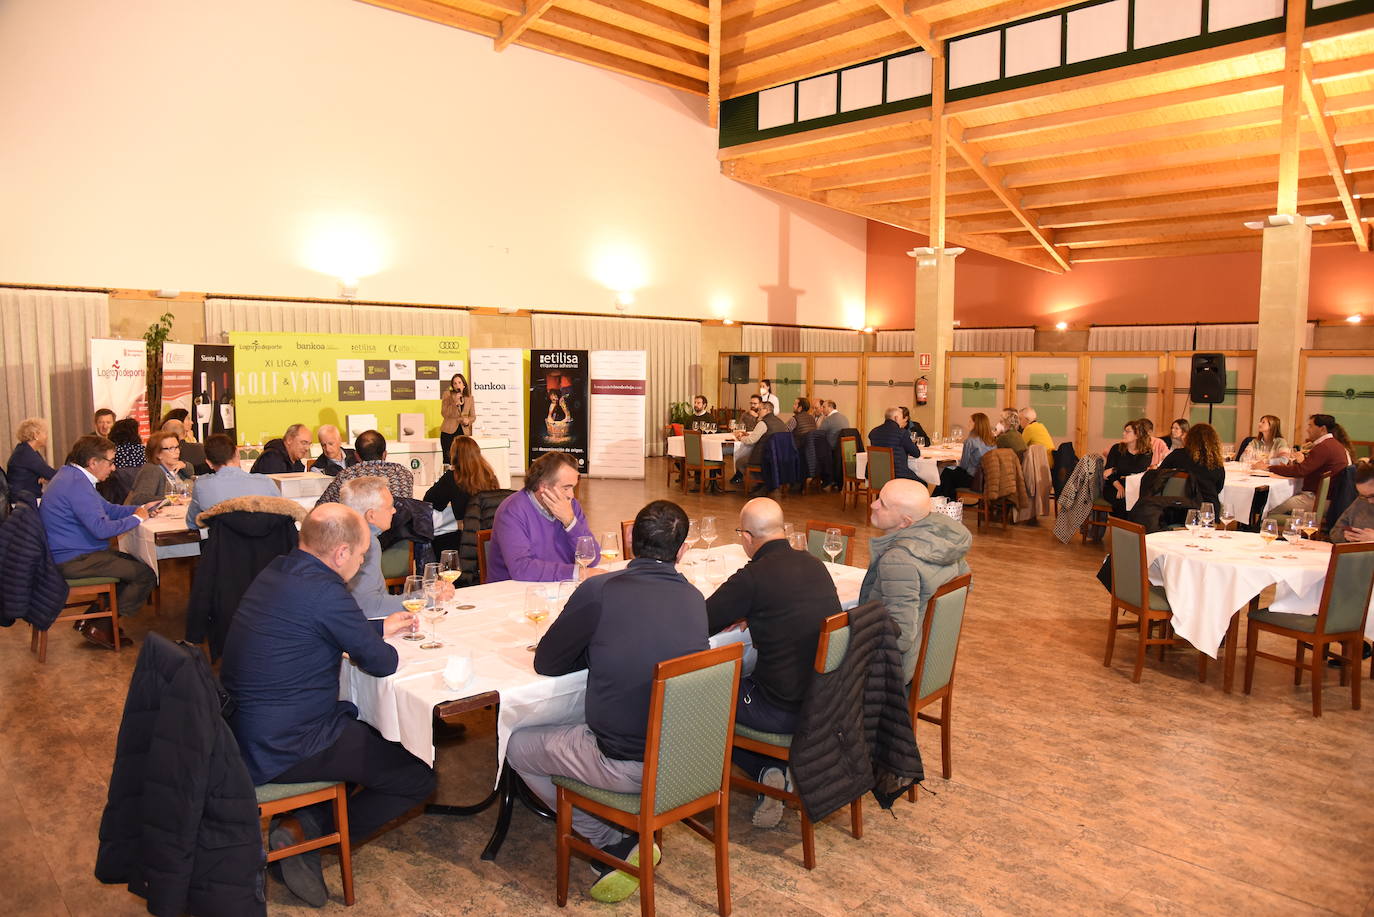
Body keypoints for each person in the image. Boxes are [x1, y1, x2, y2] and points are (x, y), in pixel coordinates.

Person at [220, 504, 435, 906]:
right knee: (417, 775)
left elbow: (310, 625)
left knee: (371, 733)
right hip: (286, 743)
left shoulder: (279, 570)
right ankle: (310, 839)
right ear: (340, 554)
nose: (360, 562)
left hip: (243, 726)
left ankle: (301, 823)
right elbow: (381, 661)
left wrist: (373, 627)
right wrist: (370, 636)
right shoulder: (327, 591)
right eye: (360, 555)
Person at [507, 500, 707, 903]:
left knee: (517, 746)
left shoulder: (600, 590)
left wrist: (592, 652)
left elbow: (547, 663)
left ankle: (610, 842)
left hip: (626, 763)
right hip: (685, 758)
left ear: (629, 542)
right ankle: (624, 829)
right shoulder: (694, 598)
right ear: (683, 551)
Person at [705, 497, 840, 828]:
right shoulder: (814, 564)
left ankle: (759, 770)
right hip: (825, 701)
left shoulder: (753, 577)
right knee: (746, 677)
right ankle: (771, 769)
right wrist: (754, 611)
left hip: (782, 710)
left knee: (701, 698)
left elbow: (702, 620)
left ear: (747, 537)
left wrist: (747, 608)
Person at [38, 435, 160, 649]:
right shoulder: (76, 485)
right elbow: (101, 529)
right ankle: (103, 626)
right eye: (111, 462)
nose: (113, 468)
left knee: (132, 563)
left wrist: (140, 510)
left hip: (75, 552)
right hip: (74, 559)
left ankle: (93, 620)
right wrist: (137, 518)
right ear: (93, 462)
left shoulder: (72, 476)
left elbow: (108, 509)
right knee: (145, 574)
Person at [860, 479, 971, 684]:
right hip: (930, 656)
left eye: (882, 504)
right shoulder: (943, 543)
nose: (873, 504)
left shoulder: (897, 560)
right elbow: (965, 586)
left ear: (905, 522)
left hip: (892, 670)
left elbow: (900, 636)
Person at [339, 476, 454, 619]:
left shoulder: (341, 534)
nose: (394, 511)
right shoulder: (365, 542)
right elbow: (371, 606)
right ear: (371, 515)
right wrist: (429, 598)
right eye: (389, 507)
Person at [487, 451, 605, 582]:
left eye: (573, 487)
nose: (571, 495)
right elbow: (522, 568)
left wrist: (570, 522)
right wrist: (577, 573)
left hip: (559, 587)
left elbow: (592, 558)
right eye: (566, 488)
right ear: (543, 486)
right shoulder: (512, 511)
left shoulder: (571, 506)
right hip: (513, 593)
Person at [1262, 413, 1354, 515]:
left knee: (1270, 507)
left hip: (1318, 501)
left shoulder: (1324, 447)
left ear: (1322, 429)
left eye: (1310, 426)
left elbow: (1301, 471)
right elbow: (1307, 467)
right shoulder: (1335, 444)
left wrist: (1269, 468)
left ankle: (1261, 526)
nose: (1307, 429)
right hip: (1329, 499)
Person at [425, 434, 500, 556]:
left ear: (454, 455)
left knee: (435, 539)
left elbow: (431, 501)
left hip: (466, 539)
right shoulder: (490, 476)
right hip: (489, 537)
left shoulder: (453, 477)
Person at [185, 433, 280, 528]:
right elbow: (281, 517)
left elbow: (192, 523)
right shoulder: (265, 482)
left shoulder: (202, 485)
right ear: (237, 453)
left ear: (209, 463)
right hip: (264, 541)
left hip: (223, 541)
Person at [316, 430, 415, 506]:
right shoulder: (403, 473)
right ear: (385, 454)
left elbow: (321, 507)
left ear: (357, 456)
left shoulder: (345, 476)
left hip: (357, 531)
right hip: (398, 531)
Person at [1154, 422, 1226, 511]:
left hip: (1181, 506)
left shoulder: (1177, 455)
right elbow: (1218, 487)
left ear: (1189, 438)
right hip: (1209, 508)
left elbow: (1159, 475)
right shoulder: (1215, 462)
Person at [934, 412, 994, 499]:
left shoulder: (970, 441)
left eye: (970, 422)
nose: (968, 424)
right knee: (950, 474)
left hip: (975, 481)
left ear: (976, 424)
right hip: (988, 480)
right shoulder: (992, 441)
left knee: (947, 473)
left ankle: (941, 501)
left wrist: (950, 465)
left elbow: (964, 466)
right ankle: (947, 502)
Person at [125, 431, 195, 505]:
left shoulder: (174, 466)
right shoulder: (152, 470)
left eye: (177, 447)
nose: (177, 451)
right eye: (171, 448)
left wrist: (184, 465)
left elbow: (191, 471)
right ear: (158, 454)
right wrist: (170, 501)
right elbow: (140, 498)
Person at [1103, 420, 1153, 517]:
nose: (1123, 433)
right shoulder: (1116, 448)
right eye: (1124, 431)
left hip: (1135, 485)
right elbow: (1107, 471)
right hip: (1113, 484)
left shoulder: (1146, 451)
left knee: (1142, 502)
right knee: (1121, 500)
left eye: (1127, 431)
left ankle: (1133, 528)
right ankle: (1121, 528)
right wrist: (1118, 485)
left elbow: (1137, 468)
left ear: (1137, 435)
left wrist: (1115, 470)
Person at [737, 401, 788, 494]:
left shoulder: (763, 423)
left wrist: (741, 438)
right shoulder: (780, 422)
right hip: (778, 456)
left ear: (767, 410)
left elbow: (751, 440)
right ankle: (763, 483)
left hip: (764, 457)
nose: (758, 411)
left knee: (740, 461)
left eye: (760, 409)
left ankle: (762, 482)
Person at [7, 417, 57, 504]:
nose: (47, 437)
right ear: (35, 435)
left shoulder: (26, 450)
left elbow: (43, 472)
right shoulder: (26, 453)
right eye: (45, 433)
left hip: (26, 499)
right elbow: (51, 474)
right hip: (23, 503)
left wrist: (41, 476)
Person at [868, 406, 922, 481]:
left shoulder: (873, 432)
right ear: (896, 418)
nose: (903, 421)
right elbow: (916, 453)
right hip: (897, 476)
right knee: (922, 484)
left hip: (877, 475)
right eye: (902, 418)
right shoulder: (901, 433)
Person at [1331, 460, 1374, 544]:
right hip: (1356, 554)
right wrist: (1346, 537)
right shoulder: (1361, 501)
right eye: (1364, 496)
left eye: (1373, 495)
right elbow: (1335, 532)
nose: (1370, 501)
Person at [728, 395, 766, 483]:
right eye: (751, 403)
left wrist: (756, 417)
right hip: (745, 439)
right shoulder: (745, 414)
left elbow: (760, 429)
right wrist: (740, 433)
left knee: (741, 454)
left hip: (756, 443)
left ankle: (741, 475)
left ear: (760, 404)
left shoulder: (762, 417)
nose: (752, 405)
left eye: (755, 404)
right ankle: (739, 474)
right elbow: (739, 426)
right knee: (738, 451)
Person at [439, 372, 475, 464]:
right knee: (448, 460)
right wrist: (455, 403)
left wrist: (468, 421)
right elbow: (444, 413)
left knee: (463, 460)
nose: (457, 385)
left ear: (464, 385)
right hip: (448, 432)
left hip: (463, 432)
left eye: (459, 382)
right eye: (455, 383)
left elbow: (473, 416)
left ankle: (461, 478)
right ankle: (448, 478)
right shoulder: (447, 395)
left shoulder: (470, 398)